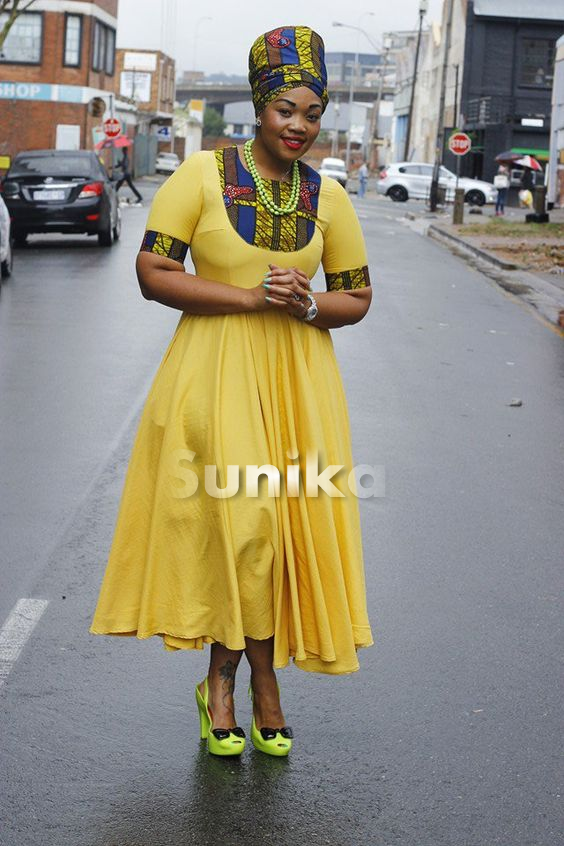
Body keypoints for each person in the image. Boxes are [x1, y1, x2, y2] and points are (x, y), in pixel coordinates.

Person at [90, 25, 374, 759]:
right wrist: (252, 300)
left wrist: (307, 305)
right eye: (287, 111)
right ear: (260, 107)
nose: (301, 126)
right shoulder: (203, 176)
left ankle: (235, 680)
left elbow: (358, 296)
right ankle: (253, 685)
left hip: (299, 387)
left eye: (312, 113)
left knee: (278, 540)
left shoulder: (328, 195)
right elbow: (154, 274)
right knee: (245, 531)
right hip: (212, 377)